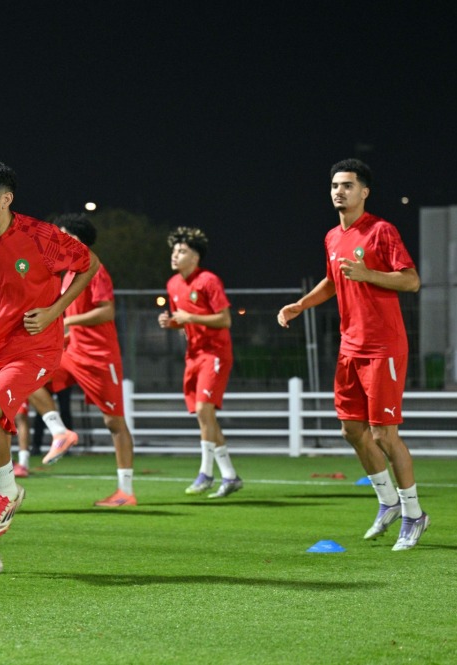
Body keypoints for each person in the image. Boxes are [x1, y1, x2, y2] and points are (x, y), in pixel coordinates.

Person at [0, 160, 98, 575]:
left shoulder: (40, 236)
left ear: (6, 198)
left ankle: (10, 491)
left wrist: (55, 311)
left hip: (36, 347)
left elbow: (90, 265)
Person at [278, 158, 428, 550]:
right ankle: (388, 503)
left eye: (347, 185)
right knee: (351, 430)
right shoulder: (331, 237)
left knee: (384, 433)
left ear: (364, 192)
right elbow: (332, 281)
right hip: (351, 346)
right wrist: (300, 305)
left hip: (384, 346)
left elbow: (411, 280)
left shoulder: (381, 231)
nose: (338, 192)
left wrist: (370, 275)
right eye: (334, 186)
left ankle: (414, 514)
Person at [29, 213, 137, 507]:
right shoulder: (68, 273)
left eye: (63, 236)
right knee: (28, 378)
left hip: (99, 357)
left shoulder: (92, 266)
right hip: (72, 352)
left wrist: (67, 322)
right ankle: (60, 432)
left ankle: (125, 492)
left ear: (76, 239)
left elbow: (107, 312)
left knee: (114, 423)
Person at [158, 227, 242, 499]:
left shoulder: (208, 280)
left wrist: (189, 318)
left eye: (182, 251)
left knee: (205, 410)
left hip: (215, 353)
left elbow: (225, 319)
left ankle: (206, 473)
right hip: (193, 354)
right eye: (174, 250)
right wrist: (170, 323)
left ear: (195, 257)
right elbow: (181, 320)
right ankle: (230, 476)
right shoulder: (173, 284)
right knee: (204, 416)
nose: (175, 255)